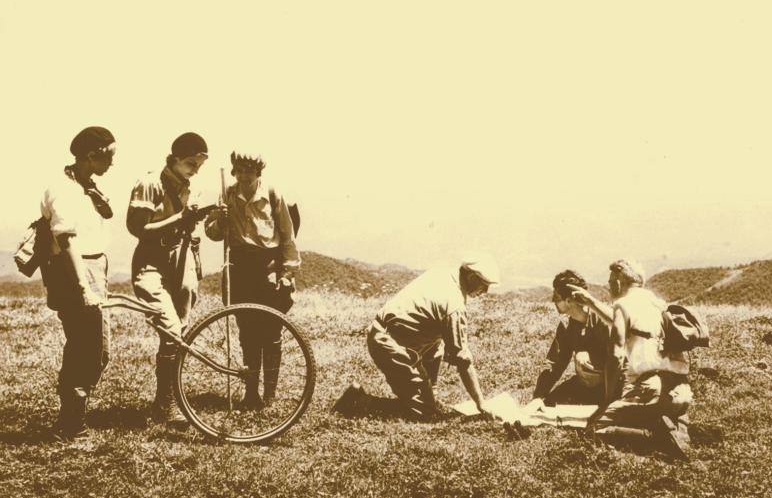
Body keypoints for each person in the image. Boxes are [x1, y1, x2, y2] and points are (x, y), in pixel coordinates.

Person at [336, 256, 500, 420]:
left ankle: (427, 396)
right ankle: (359, 401)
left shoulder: (446, 272)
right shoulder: (454, 305)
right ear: (471, 277)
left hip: (388, 333)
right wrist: (481, 404)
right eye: (484, 285)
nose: (485, 291)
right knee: (425, 414)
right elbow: (462, 360)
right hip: (389, 344)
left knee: (437, 344)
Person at [127, 132, 211, 424]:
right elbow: (138, 229)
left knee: (179, 335)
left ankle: (165, 402)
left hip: (182, 259)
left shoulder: (191, 186)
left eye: (199, 166)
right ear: (174, 158)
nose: (195, 170)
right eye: (190, 163)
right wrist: (181, 219)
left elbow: (191, 225)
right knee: (172, 330)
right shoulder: (150, 183)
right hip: (151, 262)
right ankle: (168, 404)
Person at [204, 151, 300, 409]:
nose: (244, 175)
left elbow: (287, 235)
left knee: (271, 331)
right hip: (240, 268)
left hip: (268, 268)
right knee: (247, 332)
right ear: (234, 170)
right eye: (240, 169)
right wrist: (220, 220)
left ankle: (269, 395)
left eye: (250, 170)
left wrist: (288, 271)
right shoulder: (227, 194)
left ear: (259, 172)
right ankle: (250, 393)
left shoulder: (271, 194)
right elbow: (212, 232)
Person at [40, 126, 116, 439]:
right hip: (75, 271)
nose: (113, 162)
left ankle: (71, 419)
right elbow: (67, 240)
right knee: (89, 347)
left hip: (93, 268)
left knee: (96, 348)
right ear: (91, 155)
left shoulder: (87, 186)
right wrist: (84, 286)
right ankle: (71, 424)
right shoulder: (63, 188)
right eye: (109, 155)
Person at [582, 259, 693, 459]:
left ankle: (656, 437)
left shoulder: (623, 304)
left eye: (610, 282)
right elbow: (628, 323)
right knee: (646, 411)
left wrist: (608, 400)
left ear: (618, 282)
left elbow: (616, 355)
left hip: (651, 390)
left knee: (595, 428)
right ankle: (680, 427)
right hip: (681, 392)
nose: (608, 286)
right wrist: (590, 302)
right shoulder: (656, 303)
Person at [524, 270, 611, 412]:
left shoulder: (603, 321)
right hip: (583, 384)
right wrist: (538, 396)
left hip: (610, 385)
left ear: (569, 300)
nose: (553, 300)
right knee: (548, 404)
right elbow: (555, 363)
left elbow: (619, 361)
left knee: (582, 358)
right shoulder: (566, 325)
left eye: (557, 297)